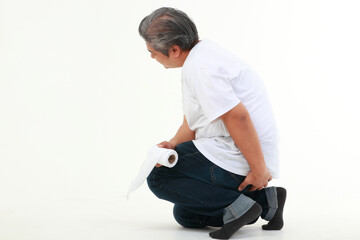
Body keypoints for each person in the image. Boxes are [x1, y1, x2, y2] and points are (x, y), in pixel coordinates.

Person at [138, 7, 287, 239]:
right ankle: (267, 201)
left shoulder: (201, 67)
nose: (151, 56)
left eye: (152, 51)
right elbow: (194, 120)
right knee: (186, 215)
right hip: (243, 150)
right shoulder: (201, 56)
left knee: (159, 177)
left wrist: (259, 171)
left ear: (174, 50)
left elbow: (237, 117)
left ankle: (239, 208)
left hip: (245, 154)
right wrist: (174, 143)